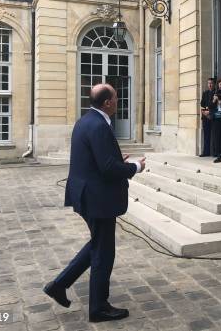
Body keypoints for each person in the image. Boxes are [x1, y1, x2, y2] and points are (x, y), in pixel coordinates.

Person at [43, 84, 145, 322]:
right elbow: (108, 169)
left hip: (86, 193)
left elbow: (97, 160)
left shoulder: (85, 121)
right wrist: (135, 167)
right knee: (104, 252)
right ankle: (98, 308)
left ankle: (59, 285)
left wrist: (117, 161)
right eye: (116, 98)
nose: (118, 102)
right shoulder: (99, 126)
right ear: (107, 103)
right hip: (98, 198)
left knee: (98, 244)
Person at [199, 77, 215, 157]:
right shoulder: (205, 93)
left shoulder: (216, 93)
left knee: (214, 135)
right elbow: (202, 104)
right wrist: (205, 113)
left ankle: (215, 152)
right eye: (209, 83)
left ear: (214, 84)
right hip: (205, 117)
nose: (210, 85)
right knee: (206, 135)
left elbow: (216, 106)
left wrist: (210, 112)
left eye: (211, 83)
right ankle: (206, 152)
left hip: (213, 117)